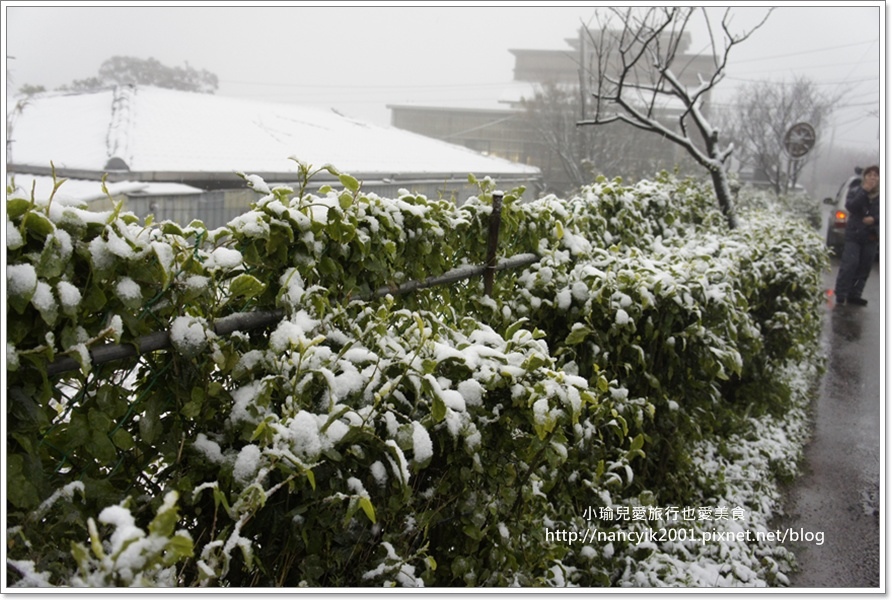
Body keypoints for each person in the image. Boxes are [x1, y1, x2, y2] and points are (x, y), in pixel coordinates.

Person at [834, 164, 880, 306]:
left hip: (871, 236)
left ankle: (855, 294)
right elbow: (851, 206)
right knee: (850, 264)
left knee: (864, 267)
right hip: (854, 234)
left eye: (876, 175)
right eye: (870, 174)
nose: (873, 178)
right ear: (864, 177)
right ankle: (841, 293)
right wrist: (864, 191)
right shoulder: (856, 191)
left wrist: (874, 220)